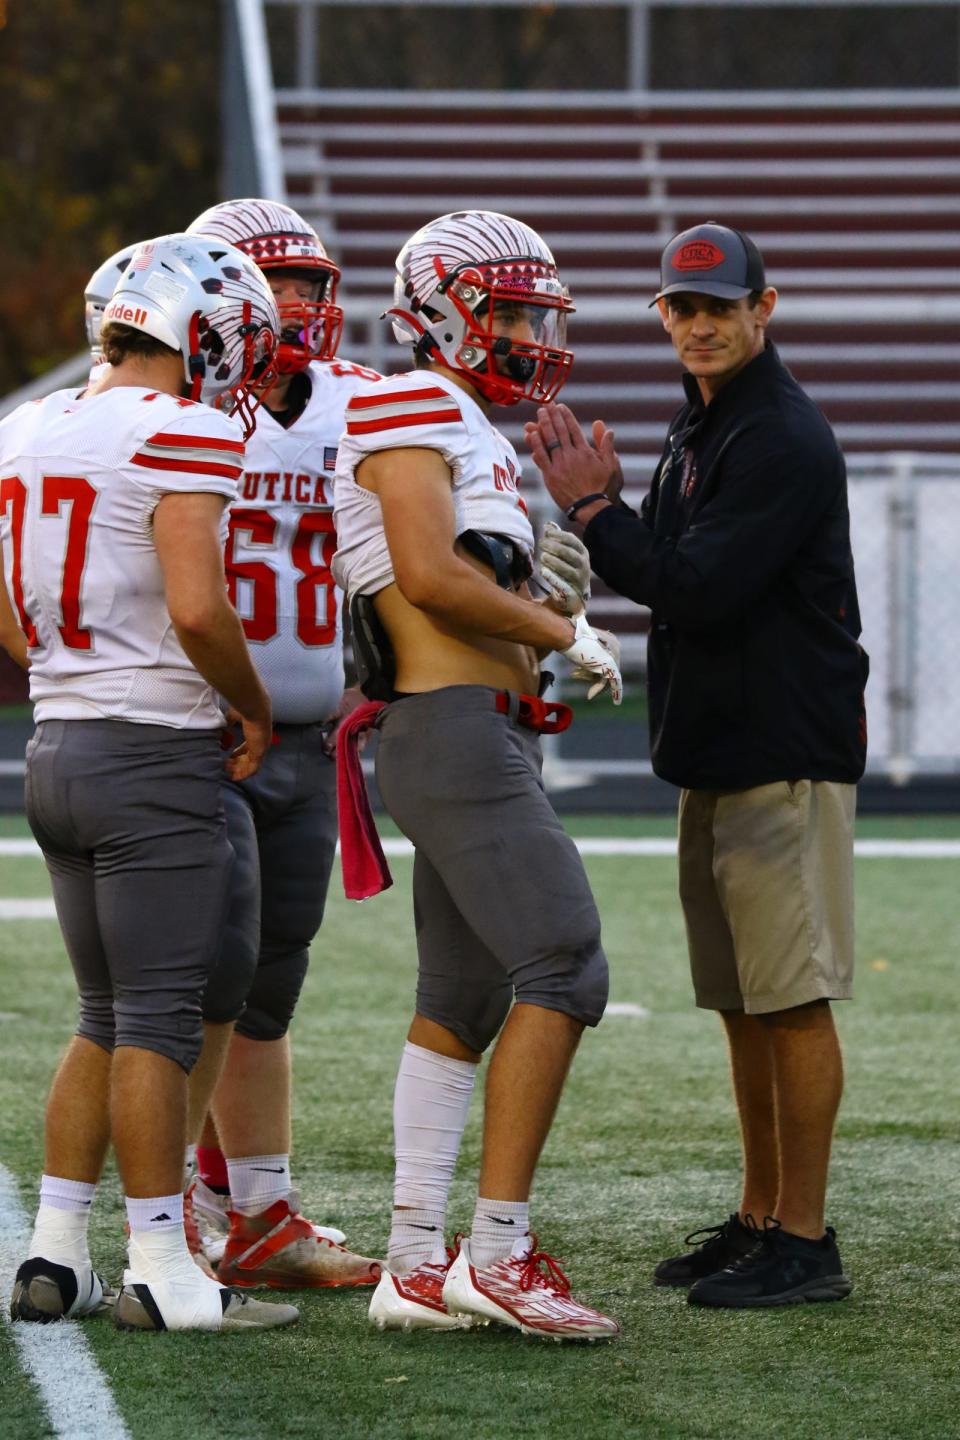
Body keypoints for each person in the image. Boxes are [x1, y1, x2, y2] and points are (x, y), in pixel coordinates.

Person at [526, 221, 869, 1309]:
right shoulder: (707, 423)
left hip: (781, 756)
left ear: (766, 309)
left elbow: (701, 587)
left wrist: (592, 511)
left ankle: (805, 1242)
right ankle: (764, 1213)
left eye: (722, 305)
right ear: (663, 315)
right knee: (743, 1001)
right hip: (724, 754)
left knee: (793, 999)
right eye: (684, 306)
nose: (702, 323)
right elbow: (682, 576)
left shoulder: (779, 436)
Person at [0, 232, 298, 1333]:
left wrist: (74, 673)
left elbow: (9, 609)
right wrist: (252, 703)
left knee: (103, 1011)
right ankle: (165, 1269)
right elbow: (195, 607)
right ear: (199, 330)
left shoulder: (27, 426)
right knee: (159, 1026)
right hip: (150, 756)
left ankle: (54, 1253)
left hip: (54, 748)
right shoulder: (181, 430)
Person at [332, 209, 622, 1341]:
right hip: (451, 728)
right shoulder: (410, 400)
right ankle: (496, 1252)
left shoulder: (458, 419)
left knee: (464, 997)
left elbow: (466, 589)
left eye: (530, 312)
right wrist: (561, 639)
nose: (523, 332)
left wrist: (548, 611)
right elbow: (426, 580)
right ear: (442, 311)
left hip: (475, 724)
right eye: (503, 310)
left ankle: (412, 1261)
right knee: (566, 962)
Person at [171, 197, 384, 1289]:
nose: (300, 304)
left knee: (269, 981)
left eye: (312, 285)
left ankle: (251, 1207)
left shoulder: (354, 405)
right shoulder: (178, 402)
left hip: (308, 731)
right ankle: (170, 1217)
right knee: (190, 978)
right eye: (278, 282)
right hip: (200, 734)